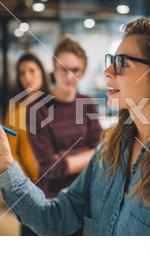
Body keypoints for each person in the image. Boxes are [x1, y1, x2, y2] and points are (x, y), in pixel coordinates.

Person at [0, 17, 150, 235]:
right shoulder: (109, 151)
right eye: (111, 60)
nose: (108, 71)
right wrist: (3, 162)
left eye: (122, 62)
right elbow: (54, 219)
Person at [27, 36, 103, 200]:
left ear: (82, 73)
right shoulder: (37, 109)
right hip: (53, 197)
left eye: (75, 70)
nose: (69, 76)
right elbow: (50, 167)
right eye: (63, 69)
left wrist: (61, 156)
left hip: (87, 192)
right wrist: (87, 153)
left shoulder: (88, 103)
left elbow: (101, 152)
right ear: (54, 69)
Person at [3, 53, 50, 236]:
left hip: (57, 182)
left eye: (32, 70)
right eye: (22, 73)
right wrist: (25, 186)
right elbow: (11, 151)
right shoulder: (15, 108)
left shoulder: (54, 103)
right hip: (30, 183)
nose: (27, 77)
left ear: (42, 72)